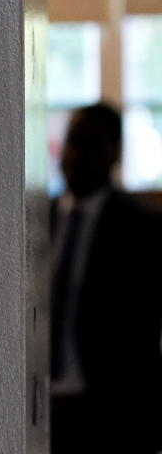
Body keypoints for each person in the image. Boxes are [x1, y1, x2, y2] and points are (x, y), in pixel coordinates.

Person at [50, 103, 162, 453]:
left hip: (112, 416)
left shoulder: (142, 229)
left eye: (87, 143)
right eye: (70, 141)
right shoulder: (39, 218)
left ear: (113, 151)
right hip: (42, 407)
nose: (73, 154)